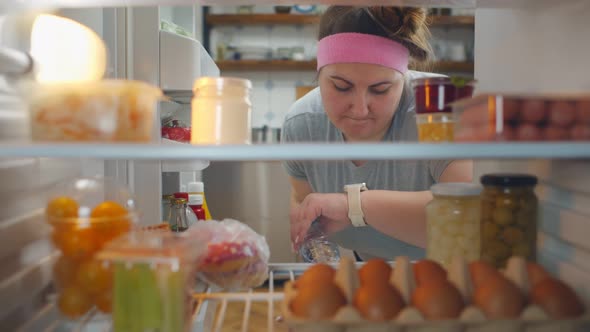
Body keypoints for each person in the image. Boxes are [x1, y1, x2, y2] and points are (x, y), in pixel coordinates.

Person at [281, 6, 473, 261]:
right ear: (319, 76)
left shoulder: (442, 109)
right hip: (373, 273)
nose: (360, 109)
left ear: (403, 77)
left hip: (454, 273)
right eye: (341, 86)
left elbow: (465, 216)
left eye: (380, 89)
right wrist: (318, 247)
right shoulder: (302, 124)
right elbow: (304, 203)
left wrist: (353, 207)